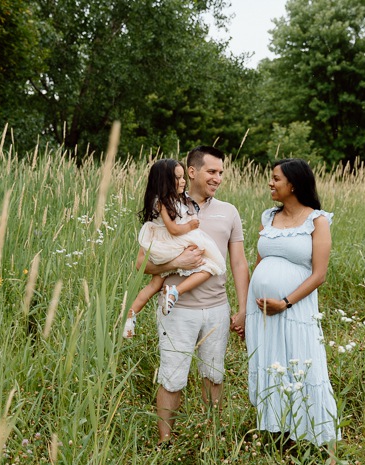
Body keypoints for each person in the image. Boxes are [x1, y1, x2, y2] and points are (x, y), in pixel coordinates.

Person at [134, 146, 249, 444]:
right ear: (193, 172)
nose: (218, 178)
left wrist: (243, 308)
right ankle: (165, 441)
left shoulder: (229, 212)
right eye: (212, 171)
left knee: (214, 375)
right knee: (172, 377)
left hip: (216, 310)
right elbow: (142, 264)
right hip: (177, 311)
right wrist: (176, 263)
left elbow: (238, 262)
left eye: (221, 173)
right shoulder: (169, 208)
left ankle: (212, 437)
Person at [242, 158, 339, 451]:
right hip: (262, 314)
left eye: (276, 179)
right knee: (272, 366)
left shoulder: (316, 220)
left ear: (294, 184)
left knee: (301, 366)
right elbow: (258, 264)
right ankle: (279, 432)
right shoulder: (268, 217)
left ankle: (312, 437)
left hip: (295, 311)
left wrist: (285, 302)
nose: (270, 183)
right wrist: (246, 313)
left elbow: (319, 274)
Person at [123, 159, 226, 338]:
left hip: (162, 245)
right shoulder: (164, 202)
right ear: (165, 182)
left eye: (182, 176)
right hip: (173, 241)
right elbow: (174, 229)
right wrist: (191, 225)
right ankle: (175, 291)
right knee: (212, 265)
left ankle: (130, 316)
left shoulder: (166, 200)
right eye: (178, 178)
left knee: (155, 284)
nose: (183, 181)